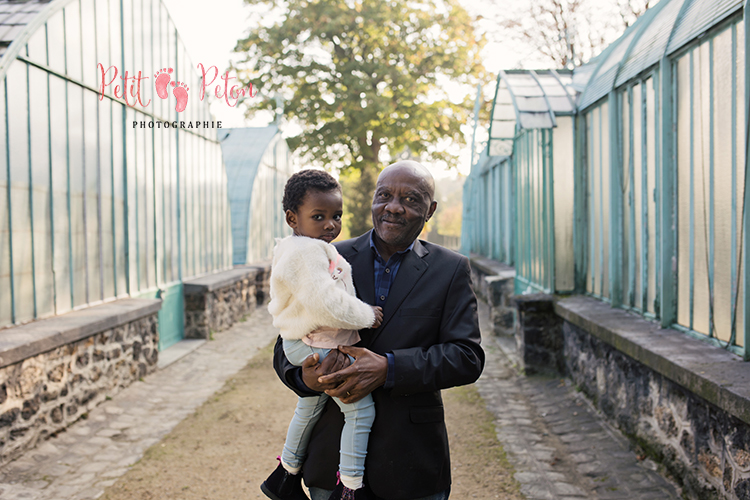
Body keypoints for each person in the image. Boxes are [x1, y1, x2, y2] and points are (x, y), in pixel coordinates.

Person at [273, 160, 485, 500]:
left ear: (429, 210)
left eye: (411, 199)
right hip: (331, 456)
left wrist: (389, 368)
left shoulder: (451, 269)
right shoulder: (326, 255)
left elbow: (467, 357)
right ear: (372, 200)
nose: (394, 207)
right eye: (384, 195)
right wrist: (304, 379)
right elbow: (287, 335)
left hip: (411, 460)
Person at [261, 169, 385, 500]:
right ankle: (351, 487)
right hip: (311, 342)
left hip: (304, 340)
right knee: (360, 409)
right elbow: (325, 303)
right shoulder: (306, 252)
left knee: (309, 405)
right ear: (292, 217)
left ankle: (285, 474)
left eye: (336, 215)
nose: (331, 224)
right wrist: (366, 316)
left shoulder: (307, 246)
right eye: (319, 216)